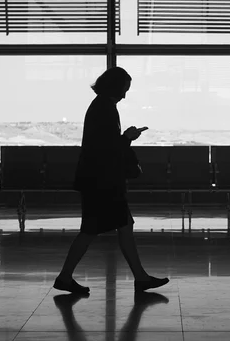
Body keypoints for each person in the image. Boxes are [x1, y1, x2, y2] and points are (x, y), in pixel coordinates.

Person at [53, 66, 169, 295]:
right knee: (100, 229)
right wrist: (127, 137)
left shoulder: (101, 106)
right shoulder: (105, 108)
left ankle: (139, 277)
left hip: (98, 181)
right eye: (124, 89)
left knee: (115, 226)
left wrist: (124, 138)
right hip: (102, 182)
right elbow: (106, 149)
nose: (125, 94)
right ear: (116, 87)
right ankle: (67, 276)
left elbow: (101, 146)